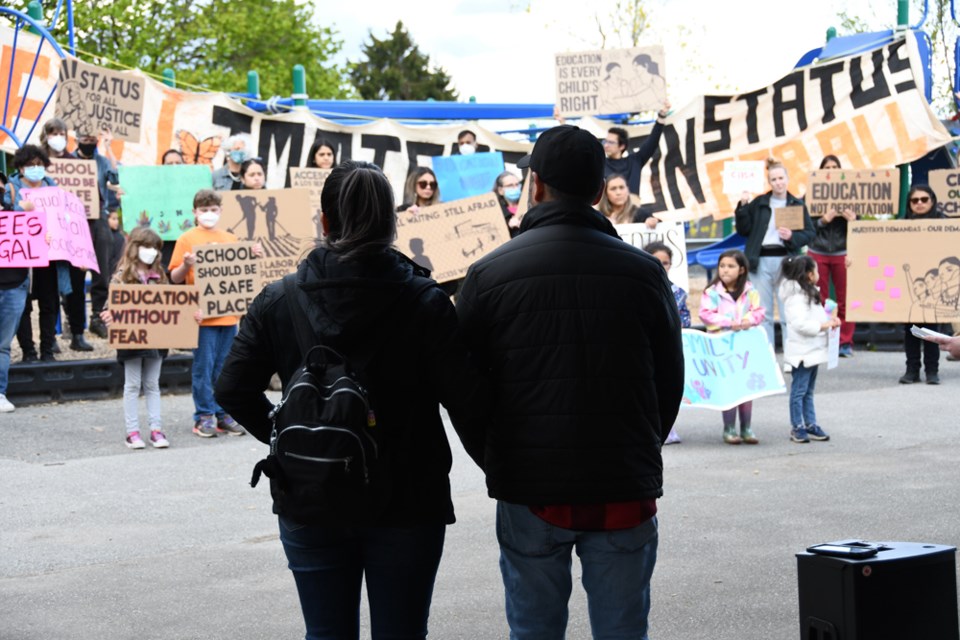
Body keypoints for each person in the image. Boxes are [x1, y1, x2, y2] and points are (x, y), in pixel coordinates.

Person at [214, 160, 487, 640]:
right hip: (408, 497)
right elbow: (465, 399)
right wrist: (501, 466)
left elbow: (231, 387)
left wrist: (294, 439)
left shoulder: (279, 298)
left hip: (309, 492)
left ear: (324, 222)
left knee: (325, 633)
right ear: (391, 223)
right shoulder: (425, 302)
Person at [455, 125, 684, 639]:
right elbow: (669, 383)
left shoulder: (488, 275)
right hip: (623, 485)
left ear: (534, 186)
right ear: (601, 191)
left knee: (534, 631)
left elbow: (463, 391)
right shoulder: (645, 274)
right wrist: (641, 444)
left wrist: (498, 459)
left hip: (530, 487)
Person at [168, 189, 247, 438]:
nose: (209, 214)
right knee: (204, 367)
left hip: (228, 316)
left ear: (221, 211)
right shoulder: (186, 239)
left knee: (225, 368)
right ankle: (204, 415)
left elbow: (241, 273)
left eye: (213, 210)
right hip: (201, 317)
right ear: (195, 212)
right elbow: (174, 277)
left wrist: (251, 257)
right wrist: (186, 265)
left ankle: (223, 414)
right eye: (204, 210)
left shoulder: (230, 238)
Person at [99, 227, 170, 449]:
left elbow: (173, 306)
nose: (150, 251)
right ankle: (132, 432)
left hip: (157, 340)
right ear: (134, 248)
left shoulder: (161, 277)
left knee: (151, 384)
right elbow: (110, 306)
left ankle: (156, 429)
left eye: (154, 248)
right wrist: (108, 315)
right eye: (145, 246)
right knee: (132, 385)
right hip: (131, 339)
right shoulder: (121, 277)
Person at [735, 157, 815, 348]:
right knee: (764, 311)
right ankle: (767, 354)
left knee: (788, 308)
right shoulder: (760, 203)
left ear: (787, 179)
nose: (778, 182)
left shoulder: (796, 204)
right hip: (760, 259)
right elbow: (743, 230)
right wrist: (743, 205)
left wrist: (791, 237)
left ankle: (792, 353)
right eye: (774, 179)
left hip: (787, 261)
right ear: (769, 182)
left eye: (781, 178)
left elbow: (810, 232)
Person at [698, 249, 766, 445]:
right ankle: (729, 428)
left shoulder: (751, 291)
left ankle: (746, 428)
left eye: (730, 266)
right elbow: (705, 314)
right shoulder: (711, 293)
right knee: (729, 388)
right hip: (722, 347)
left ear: (742, 269)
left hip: (744, 346)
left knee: (745, 388)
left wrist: (748, 320)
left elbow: (759, 312)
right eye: (722, 266)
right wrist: (729, 322)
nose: (725, 270)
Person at [2, 145, 63, 363]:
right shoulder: (10, 189)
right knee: (23, 304)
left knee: (49, 302)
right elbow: (6, 218)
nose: (36, 168)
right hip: (22, 256)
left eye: (39, 164)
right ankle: (28, 351)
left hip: (49, 254)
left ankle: (48, 350)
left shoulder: (52, 188)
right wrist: (22, 210)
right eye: (30, 165)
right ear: (20, 167)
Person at [779, 255, 839, 444]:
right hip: (803, 352)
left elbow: (816, 317)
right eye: (815, 270)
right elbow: (801, 324)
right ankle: (797, 426)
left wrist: (830, 321)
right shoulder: (797, 298)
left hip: (812, 350)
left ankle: (810, 423)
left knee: (807, 391)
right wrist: (824, 326)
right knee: (799, 391)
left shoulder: (808, 294)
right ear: (808, 274)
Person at [75, 128, 122, 341]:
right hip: (74, 220)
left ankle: (97, 317)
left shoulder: (102, 161)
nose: (88, 142)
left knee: (102, 269)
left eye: (91, 139)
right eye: (84, 139)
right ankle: (74, 324)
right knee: (75, 272)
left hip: (99, 217)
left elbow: (116, 175)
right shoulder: (68, 161)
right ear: (77, 140)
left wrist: (109, 146)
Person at [808, 155, 857, 358]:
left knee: (846, 298)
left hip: (842, 252)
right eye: (827, 167)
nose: (831, 170)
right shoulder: (811, 193)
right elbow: (805, 226)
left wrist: (854, 220)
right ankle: (825, 339)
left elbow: (862, 226)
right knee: (821, 298)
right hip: (818, 250)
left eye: (835, 167)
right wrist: (822, 220)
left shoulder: (853, 194)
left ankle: (845, 342)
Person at [644, 240, 691, 445]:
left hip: (669, 346)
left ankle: (668, 427)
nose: (663, 266)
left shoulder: (678, 292)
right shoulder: (641, 288)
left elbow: (686, 318)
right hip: (648, 347)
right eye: (658, 261)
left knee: (668, 386)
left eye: (666, 262)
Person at [900, 185, 944, 384]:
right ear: (909, 203)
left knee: (931, 329)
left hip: (936, 285)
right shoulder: (899, 226)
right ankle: (912, 370)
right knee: (912, 328)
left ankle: (932, 371)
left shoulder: (945, 224)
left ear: (932, 201)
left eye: (924, 199)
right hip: (910, 284)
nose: (919, 203)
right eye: (914, 200)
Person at [603, 101, 669, 195]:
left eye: (611, 142)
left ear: (622, 146)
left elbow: (652, 142)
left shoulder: (634, 161)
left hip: (632, 208)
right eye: (605, 141)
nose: (606, 145)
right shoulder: (600, 164)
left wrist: (662, 115)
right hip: (608, 209)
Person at [493, 170, 522, 236]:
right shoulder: (497, 212)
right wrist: (508, 226)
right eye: (510, 185)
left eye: (517, 184)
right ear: (500, 190)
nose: (515, 188)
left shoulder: (529, 204)